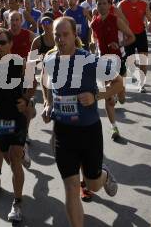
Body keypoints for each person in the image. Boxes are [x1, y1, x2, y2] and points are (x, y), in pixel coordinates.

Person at [41, 16, 120, 227]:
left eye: (65, 34)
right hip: (63, 133)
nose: (60, 39)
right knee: (71, 187)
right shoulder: (49, 60)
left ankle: (103, 175)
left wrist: (96, 96)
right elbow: (45, 82)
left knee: (93, 185)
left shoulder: (89, 59)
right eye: (57, 35)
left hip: (88, 131)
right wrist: (47, 103)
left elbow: (118, 83)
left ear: (75, 35)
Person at [0, 28, 35, 223]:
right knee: (7, 158)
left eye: (3, 42)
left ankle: (17, 203)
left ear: (11, 44)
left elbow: (32, 83)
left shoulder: (20, 63)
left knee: (14, 158)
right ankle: (21, 153)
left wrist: (26, 99)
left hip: (17, 117)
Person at [91, 0, 135, 141]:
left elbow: (131, 37)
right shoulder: (94, 23)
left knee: (122, 99)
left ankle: (119, 94)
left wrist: (120, 44)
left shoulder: (116, 20)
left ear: (110, 5)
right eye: (99, 4)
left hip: (118, 59)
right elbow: (94, 36)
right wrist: (93, 43)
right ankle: (114, 127)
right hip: (103, 62)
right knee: (109, 98)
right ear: (96, 6)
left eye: (105, 3)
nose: (102, 6)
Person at [118, 0, 151, 93]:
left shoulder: (144, 4)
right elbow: (118, 21)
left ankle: (141, 84)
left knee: (143, 59)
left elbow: (149, 18)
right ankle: (137, 76)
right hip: (128, 35)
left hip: (141, 34)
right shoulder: (122, 5)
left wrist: (149, 24)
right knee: (130, 62)